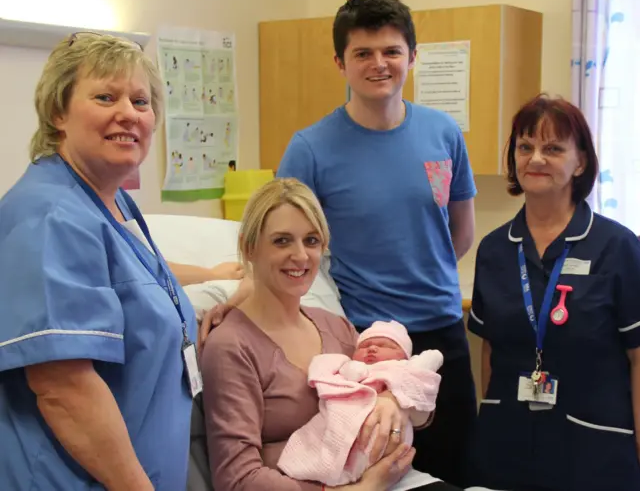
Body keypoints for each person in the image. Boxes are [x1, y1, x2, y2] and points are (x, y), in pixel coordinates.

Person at [274, 0, 478, 485]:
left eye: (391, 50)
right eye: (363, 53)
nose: (378, 63)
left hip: (441, 334)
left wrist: (420, 277)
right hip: (360, 345)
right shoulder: (310, 149)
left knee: (452, 467)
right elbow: (276, 245)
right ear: (340, 62)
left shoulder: (443, 132)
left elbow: (462, 231)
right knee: (371, 474)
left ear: (412, 55)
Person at [0, 32, 199, 490]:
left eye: (141, 101)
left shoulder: (112, 204)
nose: (128, 113)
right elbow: (64, 387)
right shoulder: (49, 216)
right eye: (105, 97)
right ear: (58, 112)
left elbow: (139, 293)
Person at [200, 178, 461, 491]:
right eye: (282, 241)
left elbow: (416, 404)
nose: (300, 256)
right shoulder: (231, 346)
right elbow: (237, 479)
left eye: (311, 241)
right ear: (249, 247)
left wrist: (393, 400)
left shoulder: (337, 327)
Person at [466, 94, 640, 491]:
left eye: (553, 148)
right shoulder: (495, 249)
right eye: (525, 147)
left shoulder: (617, 246)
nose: (536, 159)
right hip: (505, 447)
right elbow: (490, 350)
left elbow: (637, 356)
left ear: (580, 162)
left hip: (595, 450)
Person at [278, 319, 446, 487]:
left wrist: (397, 396)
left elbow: (422, 390)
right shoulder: (351, 366)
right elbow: (343, 375)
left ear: (404, 355)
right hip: (348, 417)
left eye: (385, 345)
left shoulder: (405, 369)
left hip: (393, 448)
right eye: (365, 346)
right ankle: (343, 471)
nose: (372, 348)